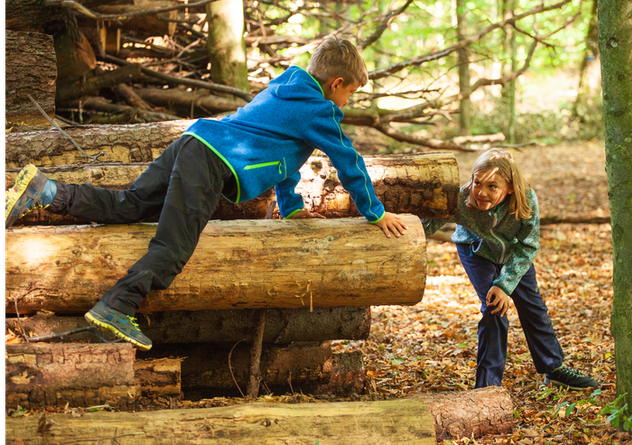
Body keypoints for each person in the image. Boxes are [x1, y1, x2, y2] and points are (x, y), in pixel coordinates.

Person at [4, 37, 408, 351]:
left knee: (131, 204)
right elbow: (349, 160)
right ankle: (117, 305)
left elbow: (283, 153)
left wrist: (292, 207)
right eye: (350, 92)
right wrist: (375, 213)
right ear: (336, 83)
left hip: (194, 140)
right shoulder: (319, 110)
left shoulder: (286, 88)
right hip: (210, 162)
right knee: (174, 247)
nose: (347, 101)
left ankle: (47, 191)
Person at [422, 149, 598, 390]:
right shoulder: (462, 199)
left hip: (515, 254)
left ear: (511, 188)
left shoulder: (526, 199)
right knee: (495, 309)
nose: (481, 192)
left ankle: (553, 368)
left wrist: (504, 284)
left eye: (492, 186)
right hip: (476, 251)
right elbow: (426, 224)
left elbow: (528, 246)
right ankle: (487, 387)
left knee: (533, 307)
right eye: (477, 182)